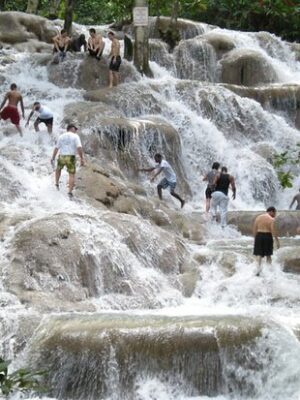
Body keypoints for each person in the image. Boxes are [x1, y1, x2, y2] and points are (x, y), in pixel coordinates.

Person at [51, 124, 85, 198]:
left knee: (58, 170)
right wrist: (82, 158)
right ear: (71, 128)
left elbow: (56, 148)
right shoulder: (75, 136)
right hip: (70, 157)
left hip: (62, 156)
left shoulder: (61, 136)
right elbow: (79, 148)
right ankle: (69, 192)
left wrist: (53, 157)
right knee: (71, 174)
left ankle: (56, 184)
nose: (76, 130)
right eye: (75, 129)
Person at [253, 206, 280, 275]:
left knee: (259, 254)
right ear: (271, 211)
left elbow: (254, 229)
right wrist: (277, 241)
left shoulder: (258, 217)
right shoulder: (271, 219)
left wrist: (255, 239)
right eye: (275, 213)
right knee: (268, 254)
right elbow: (273, 231)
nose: (275, 215)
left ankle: (258, 270)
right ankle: (269, 271)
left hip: (259, 236)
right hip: (267, 236)